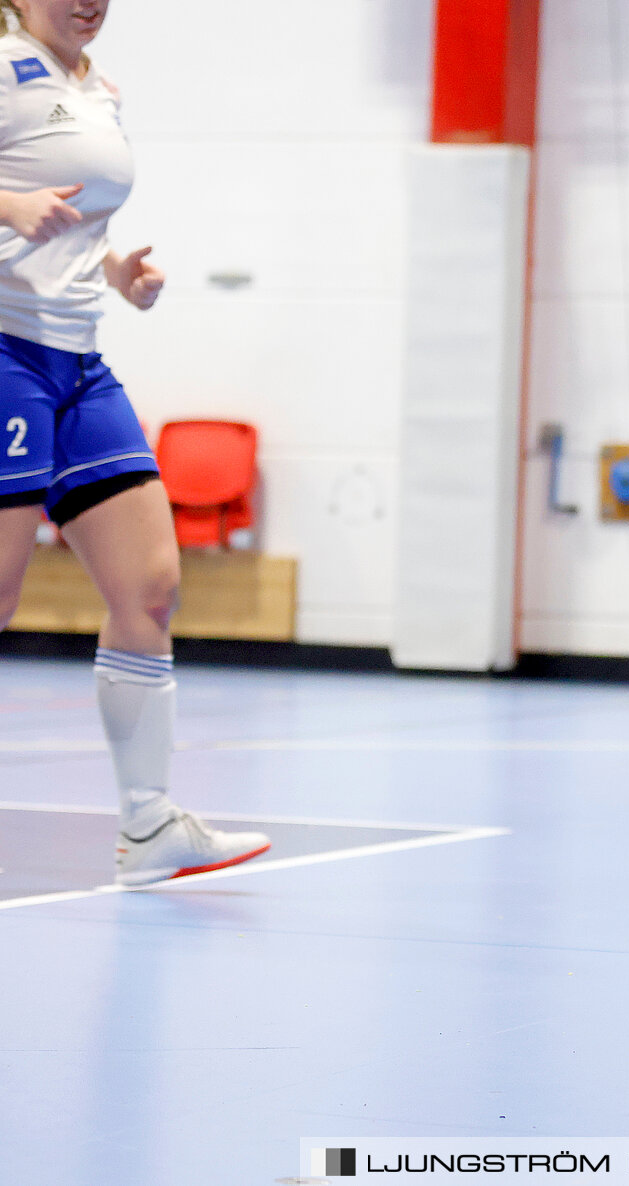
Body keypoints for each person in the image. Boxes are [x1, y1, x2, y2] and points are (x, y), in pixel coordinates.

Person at [0, 0, 268, 886]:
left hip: (76, 361)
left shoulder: (98, 89)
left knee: (150, 587)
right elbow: (23, 203)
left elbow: (76, 217)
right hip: (4, 353)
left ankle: (151, 827)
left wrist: (118, 271)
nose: (91, 0)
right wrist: (6, 201)